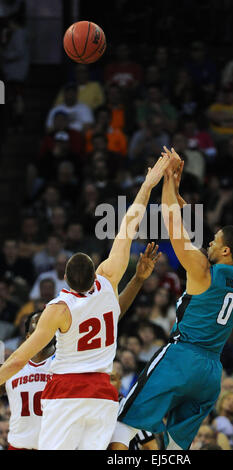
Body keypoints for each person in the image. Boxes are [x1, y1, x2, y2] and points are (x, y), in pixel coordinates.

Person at [0, 153, 172, 450]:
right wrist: (148, 184)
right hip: (103, 396)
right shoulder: (108, 279)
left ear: (65, 279)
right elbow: (129, 223)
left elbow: (18, 358)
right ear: (95, 272)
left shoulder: (58, 309)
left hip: (67, 392)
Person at [109, 147, 233, 450]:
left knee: (125, 421)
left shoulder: (202, 270)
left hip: (182, 356)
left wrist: (166, 182)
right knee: (177, 448)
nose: (209, 243)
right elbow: (204, 238)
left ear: (225, 251)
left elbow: (173, 224)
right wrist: (177, 189)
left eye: (215, 242)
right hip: (212, 372)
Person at [0, 311, 55, 450]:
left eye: (46, 324)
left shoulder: (64, 364)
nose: (42, 329)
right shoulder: (11, 367)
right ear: (28, 336)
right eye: (37, 325)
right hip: (19, 445)